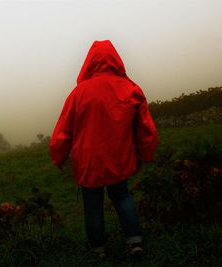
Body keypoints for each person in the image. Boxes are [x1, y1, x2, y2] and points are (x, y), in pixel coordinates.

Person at [49, 40, 158, 258]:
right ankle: (135, 242)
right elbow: (146, 128)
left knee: (93, 206)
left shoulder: (78, 94)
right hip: (120, 158)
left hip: (88, 162)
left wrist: (59, 155)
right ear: (116, 60)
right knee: (122, 196)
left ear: (89, 62)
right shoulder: (130, 89)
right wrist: (145, 154)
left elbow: (63, 131)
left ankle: (98, 250)